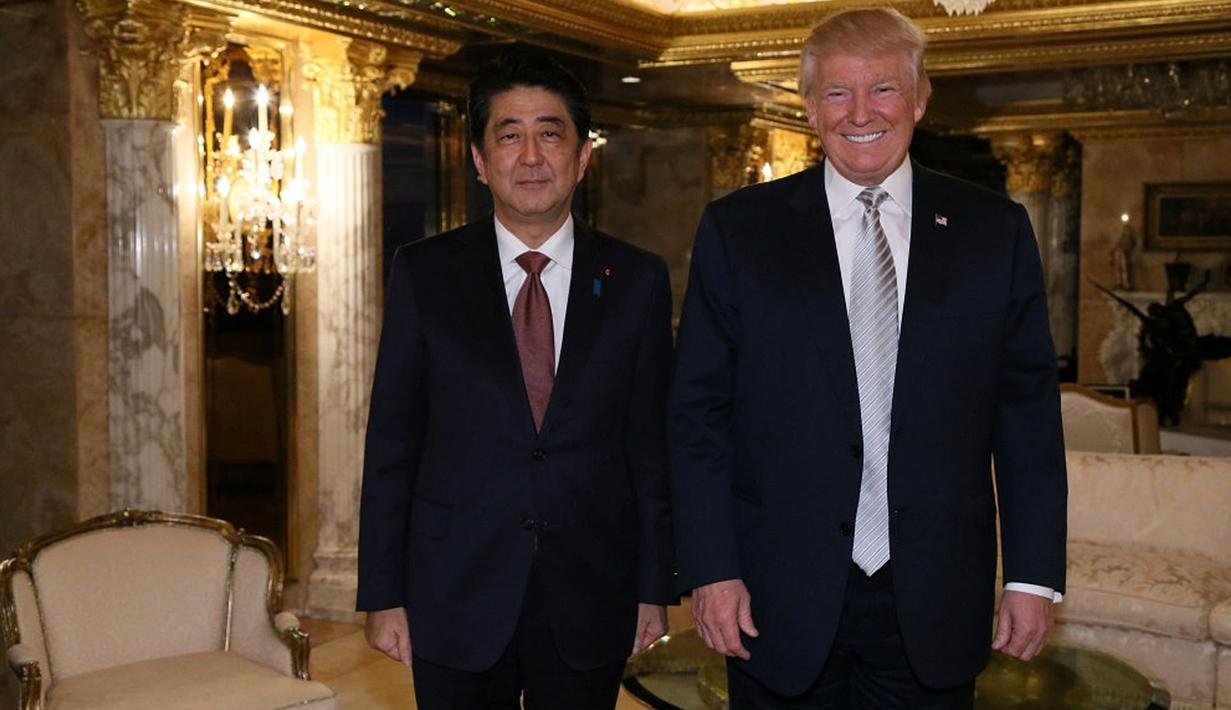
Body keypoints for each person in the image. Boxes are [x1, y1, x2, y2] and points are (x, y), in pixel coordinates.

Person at [668, 7, 1067, 708]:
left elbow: (1026, 417)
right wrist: (710, 569)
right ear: (808, 106)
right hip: (772, 596)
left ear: (918, 98)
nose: (860, 112)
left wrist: (1031, 578)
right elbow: (698, 415)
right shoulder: (738, 231)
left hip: (935, 596)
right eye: (836, 93)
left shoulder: (993, 232)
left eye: (882, 89)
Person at [357, 49, 676, 710]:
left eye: (550, 134)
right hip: (454, 590)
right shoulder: (424, 273)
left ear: (582, 156)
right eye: (509, 135)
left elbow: (649, 448)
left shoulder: (636, 280)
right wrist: (383, 594)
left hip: (591, 591)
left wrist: (653, 586)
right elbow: (393, 443)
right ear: (479, 160)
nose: (531, 156)